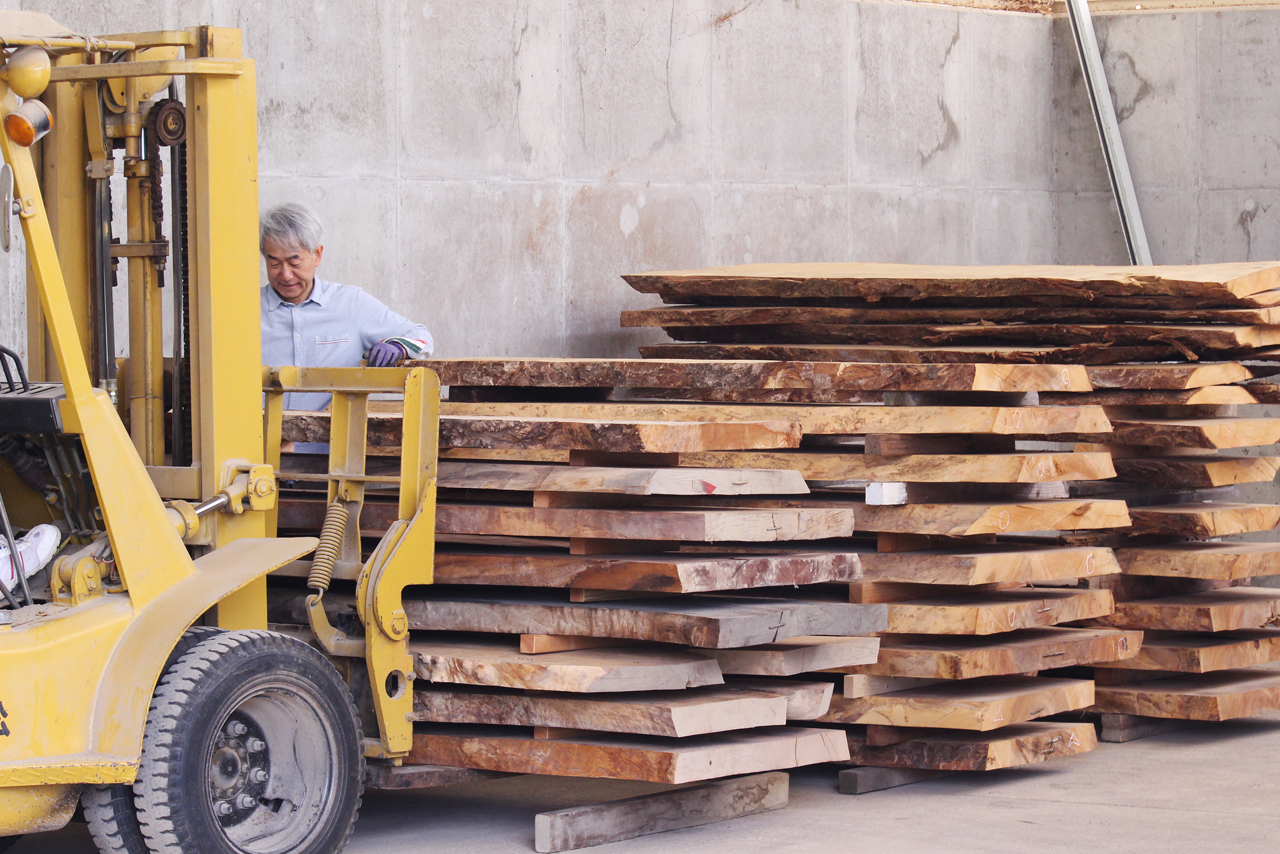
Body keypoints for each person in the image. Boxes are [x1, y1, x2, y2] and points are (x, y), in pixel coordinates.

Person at [260, 202, 433, 411]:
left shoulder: (351, 303)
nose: (286, 275)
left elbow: (421, 337)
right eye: (274, 264)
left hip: (331, 442)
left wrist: (398, 346)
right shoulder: (246, 309)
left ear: (317, 255)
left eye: (294, 263)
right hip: (258, 441)